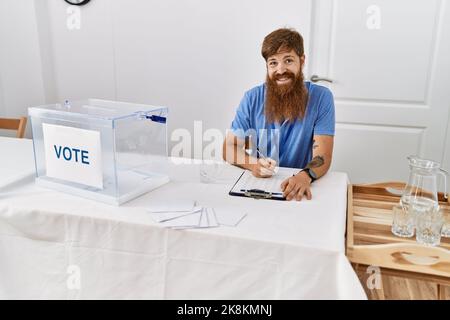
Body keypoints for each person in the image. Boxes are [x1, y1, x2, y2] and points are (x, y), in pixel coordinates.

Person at [222, 28, 335, 201]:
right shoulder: (252, 97)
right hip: (260, 186)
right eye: (273, 63)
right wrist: (253, 165)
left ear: (302, 61)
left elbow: (322, 156)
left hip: (300, 185)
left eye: (288, 60)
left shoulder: (321, 97)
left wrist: (305, 176)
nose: (280, 70)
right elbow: (229, 148)